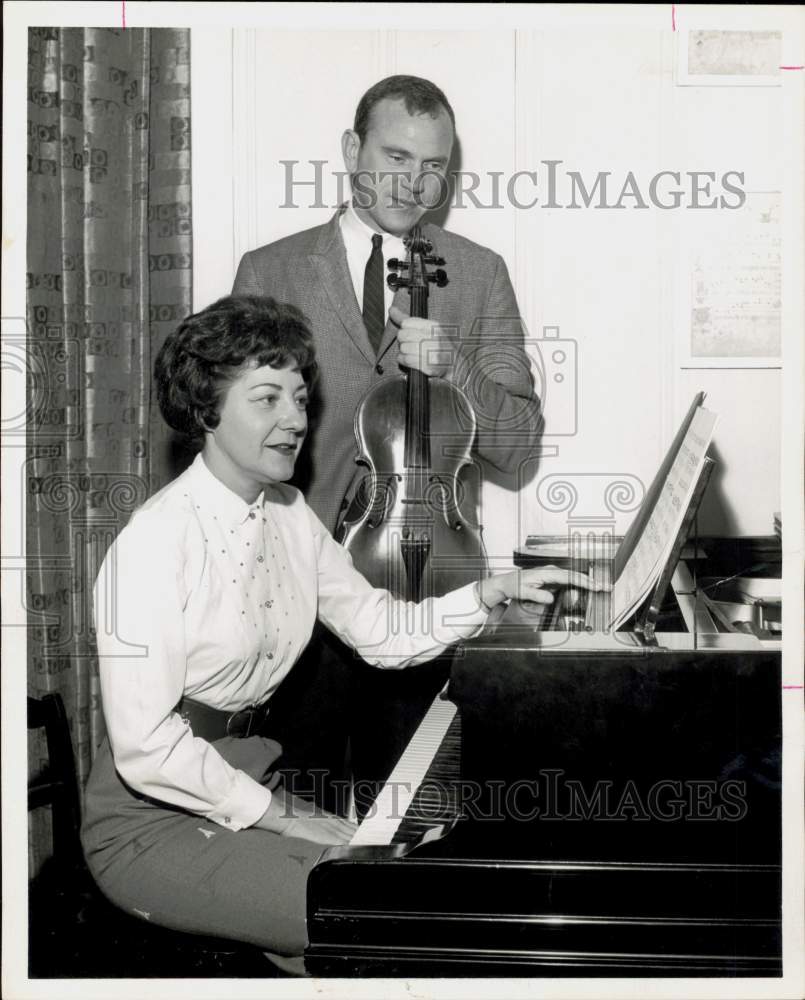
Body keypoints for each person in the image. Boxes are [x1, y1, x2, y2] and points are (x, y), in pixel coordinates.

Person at [81, 295, 600, 972]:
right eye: (266, 399)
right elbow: (147, 750)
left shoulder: (289, 513)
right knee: (385, 912)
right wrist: (287, 817)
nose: (295, 419)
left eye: (299, 397)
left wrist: (486, 593)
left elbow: (381, 631)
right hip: (149, 819)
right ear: (205, 408)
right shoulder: (154, 542)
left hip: (244, 780)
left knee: (406, 880)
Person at [232, 75, 542, 804]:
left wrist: (455, 367)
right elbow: (229, 438)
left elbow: (518, 445)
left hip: (425, 584)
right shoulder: (269, 271)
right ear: (351, 150)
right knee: (294, 805)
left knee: (413, 807)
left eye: (434, 165)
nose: (415, 182)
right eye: (396, 156)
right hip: (296, 589)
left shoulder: (477, 273)